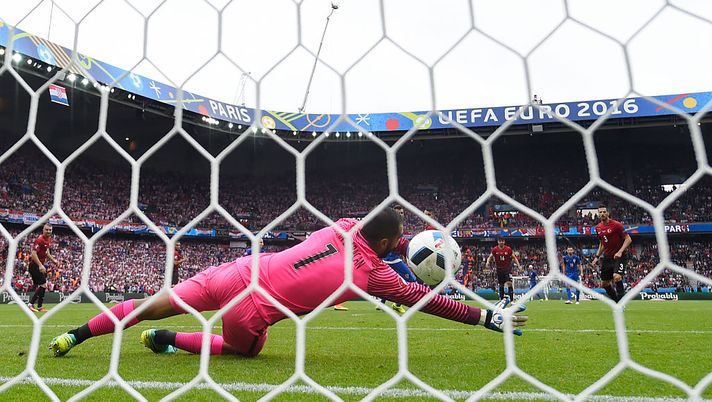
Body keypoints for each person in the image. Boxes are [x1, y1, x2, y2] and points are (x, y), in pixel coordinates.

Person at [49, 208, 528, 358]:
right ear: (386, 243)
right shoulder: (373, 273)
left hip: (234, 271)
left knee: (150, 303)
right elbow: (426, 300)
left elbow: (371, 226)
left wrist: (397, 241)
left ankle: (75, 334)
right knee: (246, 351)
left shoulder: (342, 225)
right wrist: (486, 315)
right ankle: (171, 341)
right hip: (249, 308)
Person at [376, 205, 419, 314]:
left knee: (391, 282)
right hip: (392, 260)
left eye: (402, 213)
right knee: (412, 280)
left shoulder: (397, 225)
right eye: (398, 213)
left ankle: (382, 302)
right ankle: (397, 304)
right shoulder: (392, 226)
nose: (401, 214)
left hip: (390, 259)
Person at [591, 205, 632, 302]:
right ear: (598, 214)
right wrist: (597, 257)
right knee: (604, 284)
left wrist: (620, 251)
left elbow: (628, 239)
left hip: (619, 256)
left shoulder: (616, 225)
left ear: (608, 213)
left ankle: (622, 303)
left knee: (617, 277)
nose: (602, 214)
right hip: (607, 257)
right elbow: (602, 243)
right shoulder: (598, 228)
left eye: (604, 212)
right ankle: (616, 302)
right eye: (600, 212)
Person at [28, 224, 59, 313]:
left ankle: (39, 306)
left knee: (43, 285)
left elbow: (47, 252)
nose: (48, 231)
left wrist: (54, 260)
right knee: (43, 285)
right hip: (34, 266)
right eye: (47, 229)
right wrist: (40, 265)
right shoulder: (40, 240)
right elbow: (33, 253)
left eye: (50, 230)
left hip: (38, 266)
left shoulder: (48, 240)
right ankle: (31, 304)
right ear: (43, 230)